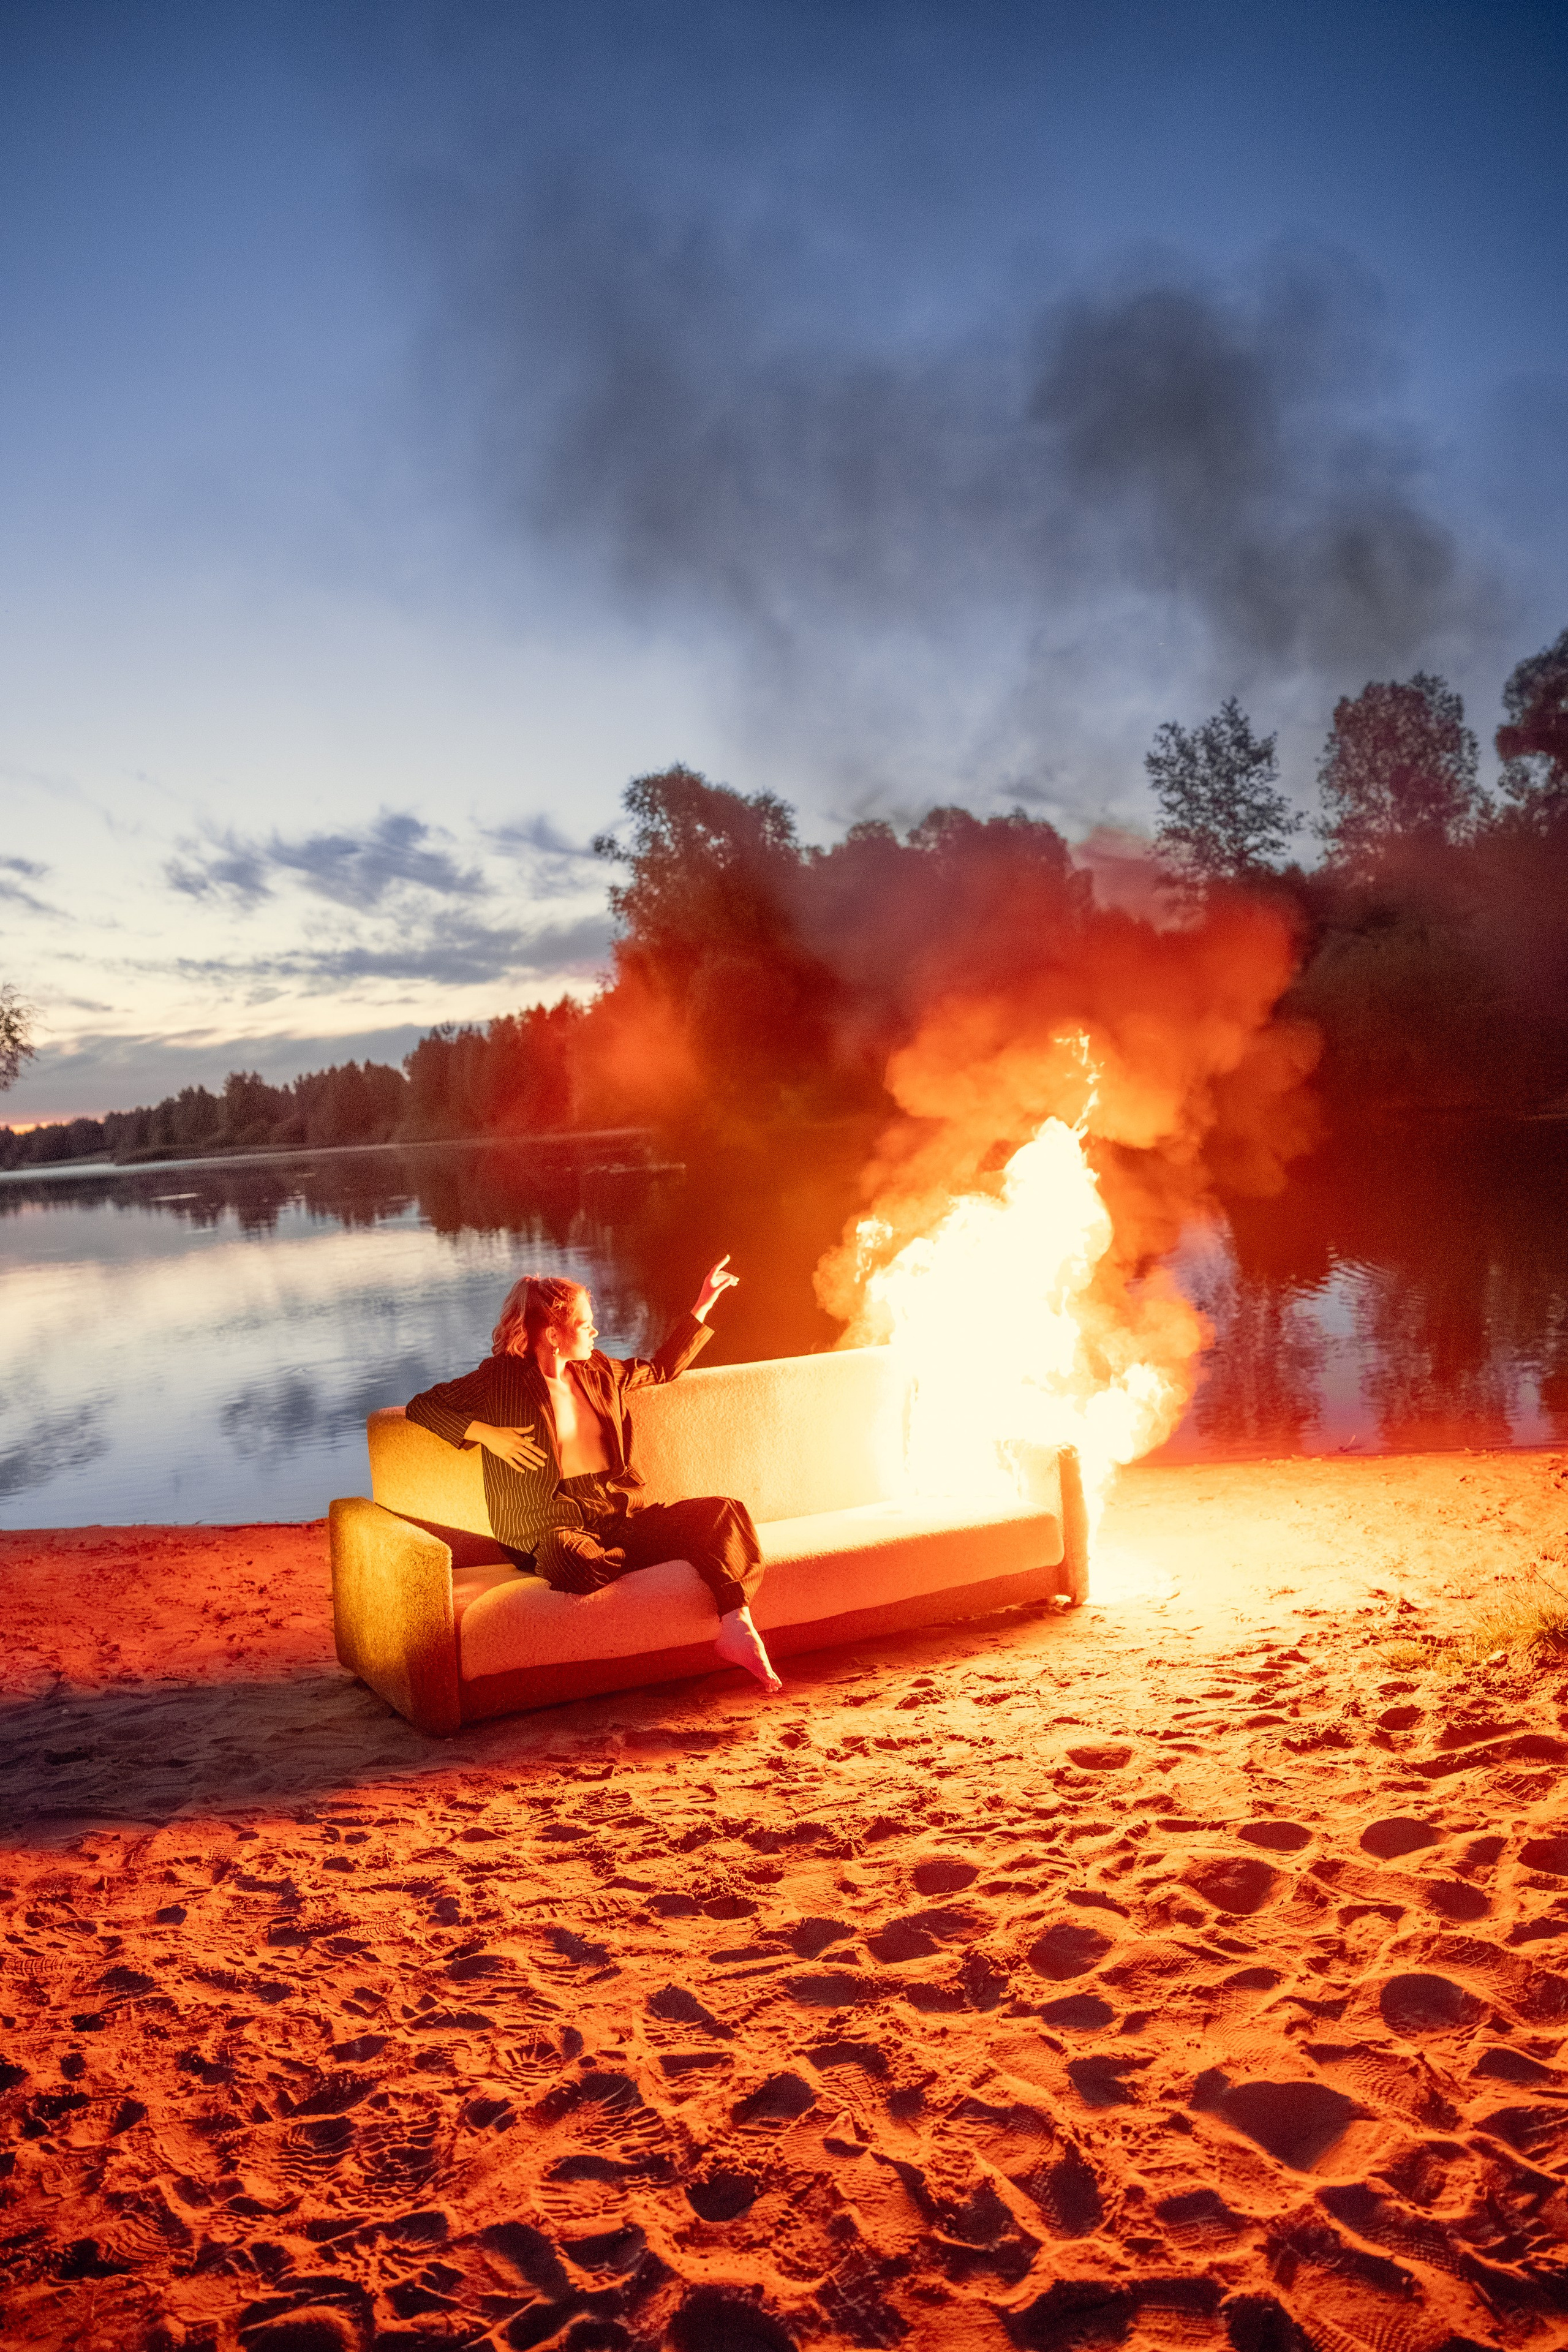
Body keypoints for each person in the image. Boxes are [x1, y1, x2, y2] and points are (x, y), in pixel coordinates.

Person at [404, 1255, 782, 1693]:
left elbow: (661, 1368)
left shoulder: (599, 1370)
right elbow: (422, 1406)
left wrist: (703, 1304)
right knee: (574, 1559)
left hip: (616, 1516)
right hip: (550, 1526)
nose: (594, 1332)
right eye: (585, 1324)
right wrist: (486, 1435)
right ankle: (672, 1554)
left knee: (725, 1514)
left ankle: (736, 1624)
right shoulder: (499, 1381)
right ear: (553, 1335)